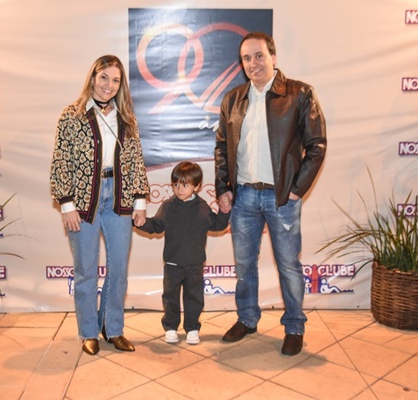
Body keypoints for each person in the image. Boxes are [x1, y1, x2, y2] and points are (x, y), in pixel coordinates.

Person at [214, 32, 327, 356]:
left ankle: (294, 327)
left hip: (281, 199)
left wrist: (296, 191)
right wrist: (224, 188)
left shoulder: (300, 94)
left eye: (259, 55)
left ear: (273, 57)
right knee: (244, 265)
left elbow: (317, 146)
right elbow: (222, 147)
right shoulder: (233, 99)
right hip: (244, 198)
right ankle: (247, 319)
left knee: (289, 265)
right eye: (246, 58)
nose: (253, 63)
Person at [50, 55, 150, 356]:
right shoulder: (72, 115)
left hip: (118, 198)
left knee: (119, 269)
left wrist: (140, 201)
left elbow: (135, 160)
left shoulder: (126, 118)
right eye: (104, 77)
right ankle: (88, 332)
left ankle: (113, 328)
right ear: (93, 78)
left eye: (115, 80)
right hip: (84, 201)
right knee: (86, 270)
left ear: (121, 85)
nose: (109, 85)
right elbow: (60, 160)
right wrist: (67, 205)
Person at [135, 161, 229, 345]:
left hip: (195, 264)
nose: (179, 189)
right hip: (172, 264)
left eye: (185, 185)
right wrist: (141, 222)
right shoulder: (168, 206)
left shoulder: (202, 207)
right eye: (176, 184)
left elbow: (217, 225)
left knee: (194, 298)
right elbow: (156, 225)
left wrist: (225, 212)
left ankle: (192, 328)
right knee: (170, 297)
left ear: (197, 186)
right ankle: (170, 327)